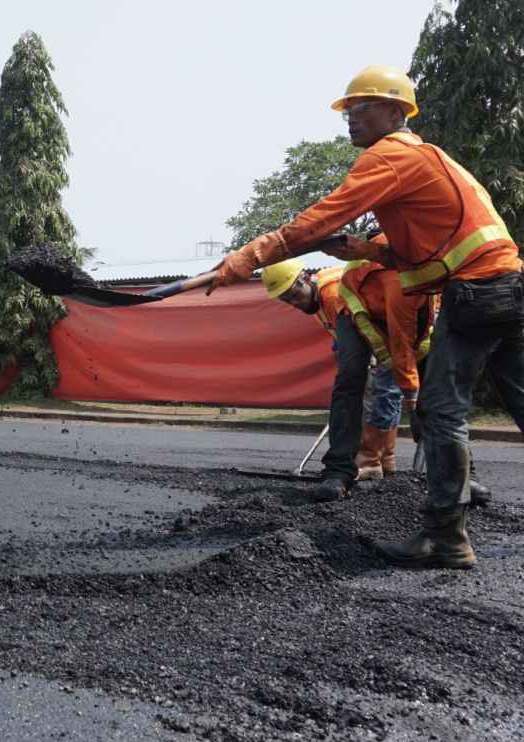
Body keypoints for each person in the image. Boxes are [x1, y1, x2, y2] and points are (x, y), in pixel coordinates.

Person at [209, 65, 522, 569]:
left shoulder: (390, 156)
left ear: (397, 111)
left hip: (477, 292)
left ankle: (445, 537)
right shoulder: (429, 158)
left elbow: (320, 217)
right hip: (508, 284)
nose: (350, 119)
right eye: (347, 111)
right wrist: (359, 247)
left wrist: (246, 258)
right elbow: (418, 257)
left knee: (438, 413)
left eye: (363, 108)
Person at [261, 257, 430, 499]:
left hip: (396, 324)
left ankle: (373, 459)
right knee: (359, 386)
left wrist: (369, 351)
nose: (292, 302)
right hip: (371, 327)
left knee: (385, 389)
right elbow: (342, 334)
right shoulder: (315, 301)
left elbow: (363, 317)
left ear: (305, 279)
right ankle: (380, 461)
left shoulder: (330, 292)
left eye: (293, 293)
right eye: (285, 299)